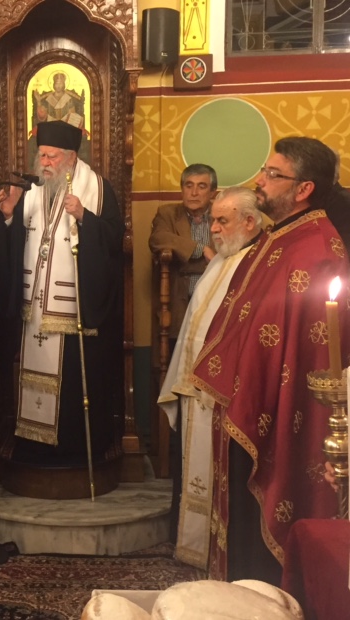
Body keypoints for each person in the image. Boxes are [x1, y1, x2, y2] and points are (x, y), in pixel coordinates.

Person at [191, 137, 350, 585]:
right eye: (265, 170)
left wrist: (254, 392)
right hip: (250, 398)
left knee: (256, 542)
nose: (259, 181)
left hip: (278, 411)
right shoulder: (282, 236)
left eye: (273, 174)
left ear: (303, 189)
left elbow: (303, 347)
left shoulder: (317, 250)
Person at [0, 120, 124, 468]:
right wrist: (8, 217)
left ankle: (76, 448)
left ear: (71, 156)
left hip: (76, 310)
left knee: (74, 384)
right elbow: (17, 243)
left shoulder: (98, 188)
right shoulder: (32, 189)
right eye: (41, 155)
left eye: (52, 156)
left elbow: (114, 239)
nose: (45, 162)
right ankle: (35, 446)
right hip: (36, 308)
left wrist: (84, 216)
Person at [158, 186, 263, 570]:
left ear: (248, 222)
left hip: (224, 397)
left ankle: (216, 552)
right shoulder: (222, 259)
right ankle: (191, 545)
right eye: (213, 221)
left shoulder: (257, 264)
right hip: (197, 388)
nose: (214, 229)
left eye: (222, 221)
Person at [148, 164, 218, 342]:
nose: (194, 193)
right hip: (180, 296)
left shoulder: (221, 214)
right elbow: (157, 238)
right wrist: (201, 249)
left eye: (201, 186)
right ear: (182, 189)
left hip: (215, 296)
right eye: (189, 185)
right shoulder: (168, 213)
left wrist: (186, 260)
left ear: (212, 192)